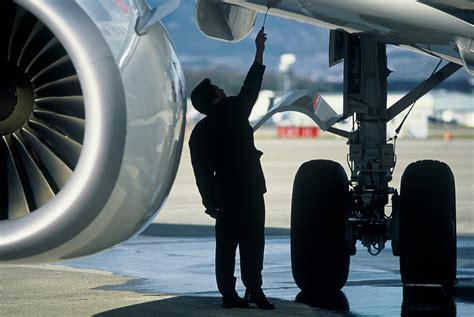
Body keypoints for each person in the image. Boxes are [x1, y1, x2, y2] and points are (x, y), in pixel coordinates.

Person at [189, 28, 274, 310]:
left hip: (224, 197)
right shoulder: (235, 111)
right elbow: (252, 85)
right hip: (250, 191)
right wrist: (259, 51)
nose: (222, 89)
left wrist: (209, 202)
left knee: (225, 249)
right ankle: (254, 291)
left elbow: (201, 174)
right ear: (214, 99)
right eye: (217, 89)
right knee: (253, 245)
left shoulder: (199, 132)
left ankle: (229, 294)